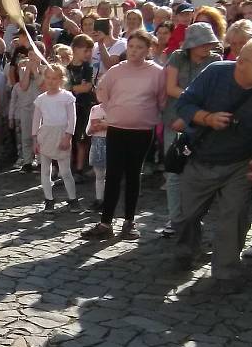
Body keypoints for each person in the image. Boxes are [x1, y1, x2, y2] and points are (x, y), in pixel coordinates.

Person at [173, 38, 252, 285]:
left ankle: (226, 272)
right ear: (241, 63)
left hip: (240, 164)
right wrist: (207, 118)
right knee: (186, 217)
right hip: (202, 158)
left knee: (233, 220)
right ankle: (187, 251)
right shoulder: (215, 73)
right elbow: (184, 104)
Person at [82, 30, 166, 240]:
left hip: (142, 131)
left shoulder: (157, 72)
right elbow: (101, 91)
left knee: (133, 176)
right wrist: (113, 109)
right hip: (117, 129)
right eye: (131, 47)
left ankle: (129, 221)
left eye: (139, 47)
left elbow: (162, 99)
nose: (134, 51)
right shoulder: (117, 70)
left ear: (148, 50)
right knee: (113, 175)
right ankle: (105, 222)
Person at [161, 23, 222, 237]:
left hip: (200, 121)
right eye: (203, 43)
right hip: (175, 119)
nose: (207, 47)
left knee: (198, 173)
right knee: (174, 171)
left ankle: (194, 218)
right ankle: (175, 219)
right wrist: (183, 115)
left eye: (209, 42)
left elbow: (214, 93)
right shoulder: (178, 57)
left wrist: (190, 115)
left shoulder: (215, 61)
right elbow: (170, 88)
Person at [33, 64, 79, 214]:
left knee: (65, 171)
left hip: (61, 134)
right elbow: (36, 120)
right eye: (48, 78)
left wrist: (68, 136)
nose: (51, 81)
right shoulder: (41, 99)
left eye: (54, 78)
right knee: (45, 170)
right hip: (45, 135)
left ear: (61, 79)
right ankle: (49, 199)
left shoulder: (67, 97)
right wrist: (35, 139)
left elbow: (72, 119)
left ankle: (72, 199)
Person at [67, 34, 95, 181]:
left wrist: (71, 87)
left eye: (90, 51)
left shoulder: (87, 67)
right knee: (69, 137)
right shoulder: (67, 66)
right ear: (76, 49)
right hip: (69, 107)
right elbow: (63, 86)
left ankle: (79, 169)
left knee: (81, 139)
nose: (89, 54)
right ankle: (65, 168)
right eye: (86, 50)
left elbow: (87, 87)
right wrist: (75, 88)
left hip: (83, 107)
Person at [86, 103, 108, 211]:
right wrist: (94, 127)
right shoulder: (95, 109)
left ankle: (109, 200)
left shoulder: (117, 108)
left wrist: (106, 125)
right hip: (97, 144)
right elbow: (88, 131)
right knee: (99, 175)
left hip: (112, 143)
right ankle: (99, 199)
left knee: (112, 174)